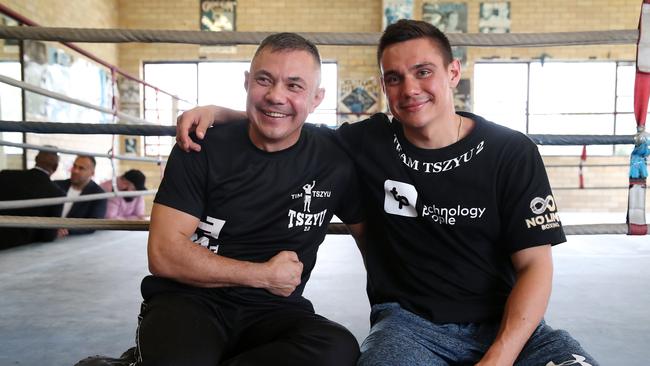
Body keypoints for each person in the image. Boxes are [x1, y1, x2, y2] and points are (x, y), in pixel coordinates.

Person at [176, 20, 597, 366]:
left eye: (424, 71)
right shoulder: (365, 143)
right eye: (394, 78)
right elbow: (285, 122)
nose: (410, 88)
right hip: (409, 327)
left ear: (453, 72)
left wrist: (500, 357)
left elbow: (536, 266)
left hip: (511, 327)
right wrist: (220, 114)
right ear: (384, 86)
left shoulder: (511, 150)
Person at [76, 32, 364, 366]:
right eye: (264, 80)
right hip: (189, 300)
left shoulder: (335, 158)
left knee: (338, 350)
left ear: (316, 98)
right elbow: (164, 254)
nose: (276, 95)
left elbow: (375, 243)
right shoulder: (200, 146)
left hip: (273, 311)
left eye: (294, 86)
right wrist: (263, 275)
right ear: (246, 83)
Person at [0, 149, 64, 249]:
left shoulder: (5, 175)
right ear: (55, 167)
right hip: (15, 249)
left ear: (36, 159)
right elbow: (48, 236)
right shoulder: (56, 193)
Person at [54, 155, 107, 237]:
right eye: (74, 166)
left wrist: (67, 230)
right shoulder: (56, 185)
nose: (75, 171)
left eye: (81, 168)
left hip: (73, 241)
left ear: (92, 173)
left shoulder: (99, 195)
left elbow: (94, 223)